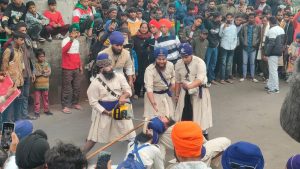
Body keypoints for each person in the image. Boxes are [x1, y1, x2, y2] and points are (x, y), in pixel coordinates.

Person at [82, 53, 136, 154]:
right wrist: (106, 112)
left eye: (110, 65)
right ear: (100, 68)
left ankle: (137, 155)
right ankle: (79, 157)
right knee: (94, 137)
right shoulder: (95, 83)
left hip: (122, 108)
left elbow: (128, 90)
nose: (110, 68)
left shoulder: (120, 76)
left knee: (131, 134)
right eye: (106, 66)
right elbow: (93, 102)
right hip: (105, 112)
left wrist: (124, 96)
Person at [174, 43, 212, 138]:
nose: (184, 59)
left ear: (191, 54)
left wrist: (189, 86)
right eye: (182, 56)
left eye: (186, 57)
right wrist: (177, 94)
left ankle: (204, 137)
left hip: (199, 91)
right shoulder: (179, 64)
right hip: (184, 92)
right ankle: (186, 135)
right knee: (184, 115)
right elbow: (177, 81)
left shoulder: (200, 63)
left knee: (200, 115)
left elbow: (199, 80)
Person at [1, 32, 26, 122]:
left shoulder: (20, 50)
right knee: (8, 108)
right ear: (15, 39)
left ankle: (17, 125)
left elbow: (22, 66)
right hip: (10, 85)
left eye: (23, 40)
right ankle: (7, 130)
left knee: (18, 106)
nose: (23, 42)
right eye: (21, 40)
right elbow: (4, 70)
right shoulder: (9, 51)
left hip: (19, 83)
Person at [144, 47, 175, 119]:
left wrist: (173, 85)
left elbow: (173, 76)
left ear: (166, 58)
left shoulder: (170, 65)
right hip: (154, 95)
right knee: (154, 120)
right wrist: (153, 103)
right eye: (159, 59)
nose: (161, 61)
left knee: (169, 118)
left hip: (167, 95)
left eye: (163, 59)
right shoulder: (149, 69)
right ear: (155, 59)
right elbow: (149, 88)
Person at [61, 25, 83, 114]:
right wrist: (71, 40)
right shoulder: (65, 40)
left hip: (76, 68)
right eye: (76, 32)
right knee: (66, 88)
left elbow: (77, 54)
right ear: (71, 33)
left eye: (78, 32)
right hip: (67, 68)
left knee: (77, 87)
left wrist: (80, 65)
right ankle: (64, 106)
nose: (78, 34)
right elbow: (64, 51)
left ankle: (75, 103)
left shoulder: (77, 42)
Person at [264, 16, 285, 94]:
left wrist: (266, 53)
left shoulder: (272, 30)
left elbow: (271, 43)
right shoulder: (281, 29)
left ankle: (275, 88)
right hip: (279, 52)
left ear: (270, 22)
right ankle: (270, 85)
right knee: (272, 69)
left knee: (273, 70)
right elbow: (283, 41)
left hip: (272, 53)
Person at [239, 13, 261, 82]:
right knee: (244, 62)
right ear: (248, 18)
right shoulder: (244, 26)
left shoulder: (258, 27)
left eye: (252, 18)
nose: (251, 19)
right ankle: (244, 76)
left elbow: (259, 37)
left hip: (253, 47)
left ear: (255, 18)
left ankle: (252, 77)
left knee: (252, 63)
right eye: (250, 18)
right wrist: (243, 42)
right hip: (245, 47)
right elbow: (241, 35)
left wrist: (256, 43)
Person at [132, 22, 152, 98]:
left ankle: (145, 92)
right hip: (137, 59)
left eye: (145, 28)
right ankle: (136, 92)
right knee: (138, 75)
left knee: (146, 75)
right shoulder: (134, 38)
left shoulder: (150, 38)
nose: (144, 29)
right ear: (140, 28)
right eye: (142, 27)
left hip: (147, 60)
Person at [33, 48, 52, 118]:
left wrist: (43, 73)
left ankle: (46, 110)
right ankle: (36, 112)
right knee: (37, 100)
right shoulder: (35, 65)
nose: (42, 58)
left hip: (45, 85)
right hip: (37, 86)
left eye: (43, 56)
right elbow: (35, 74)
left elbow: (49, 72)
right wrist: (43, 72)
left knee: (46, 98)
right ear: (37, 57)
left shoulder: (47, 64)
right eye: (40, 56)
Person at [219, 13, 237, 84]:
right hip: (224, 46)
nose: (229, 19)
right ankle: (222, 78)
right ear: (226, 18)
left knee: (229, 63)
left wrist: (234, 45)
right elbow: (220, 35)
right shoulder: (223, 25)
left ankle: (227, 78)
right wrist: (223, 28)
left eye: (230, 17)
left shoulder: (234, 27)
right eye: (228, 17)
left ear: (232, 18)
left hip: (232, 47)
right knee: (223, 63)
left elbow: (235, 37)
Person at [204, 12, 222, 85]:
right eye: (220, 17)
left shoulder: (219, 24)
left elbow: (219, 34)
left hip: (215, 46)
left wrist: (218, 42)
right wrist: (207, 17)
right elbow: (205, 21)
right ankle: (204, 79)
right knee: (206, 64)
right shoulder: (209, 23)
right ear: (216, 17)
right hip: (209, 46)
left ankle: (211, 79)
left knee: (213, 63)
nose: (221, 19)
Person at [257, 15, 270, 83]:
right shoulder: (261, 26)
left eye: (265, 21)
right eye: (262, 21)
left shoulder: (269, 27)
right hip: (261, 46)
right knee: (261, 62)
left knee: (266, 62)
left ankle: (267, 77)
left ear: (268, 21)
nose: (263, 22)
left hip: (266, 46)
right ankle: (265, 76)